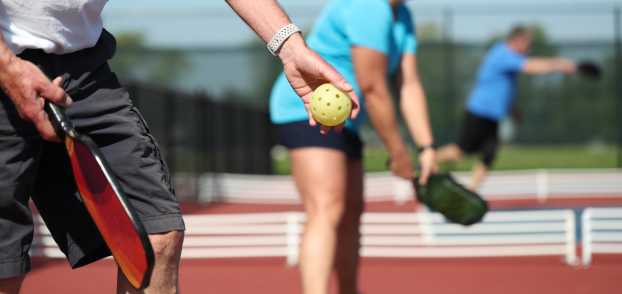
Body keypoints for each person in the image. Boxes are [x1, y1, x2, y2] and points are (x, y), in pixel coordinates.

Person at [0, 1, 357, 293]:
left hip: (85, 69)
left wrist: (291, 48)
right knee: (5, 264)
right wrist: (8, 67)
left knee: (156, 238)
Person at [269, 0, 435, 293]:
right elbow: (372, 87)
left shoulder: (403, 15)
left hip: (348, 120)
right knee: (326, 207)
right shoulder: (368, 6)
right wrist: (397, 152)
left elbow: (409, 84)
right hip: (304, 109)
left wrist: (426, 147)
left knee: (351, 214)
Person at [435, 25, 577, 191]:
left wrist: (512, 109)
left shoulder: (509, 58)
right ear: (517, 40)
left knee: (489, 154)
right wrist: (558, 64)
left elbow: (504, 88)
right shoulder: (502, 54)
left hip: (493, 116)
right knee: (460, 152)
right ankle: (428, 160)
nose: (529, 48)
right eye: (527, 44)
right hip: (479, 113)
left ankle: (471, 191)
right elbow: (530, 66)